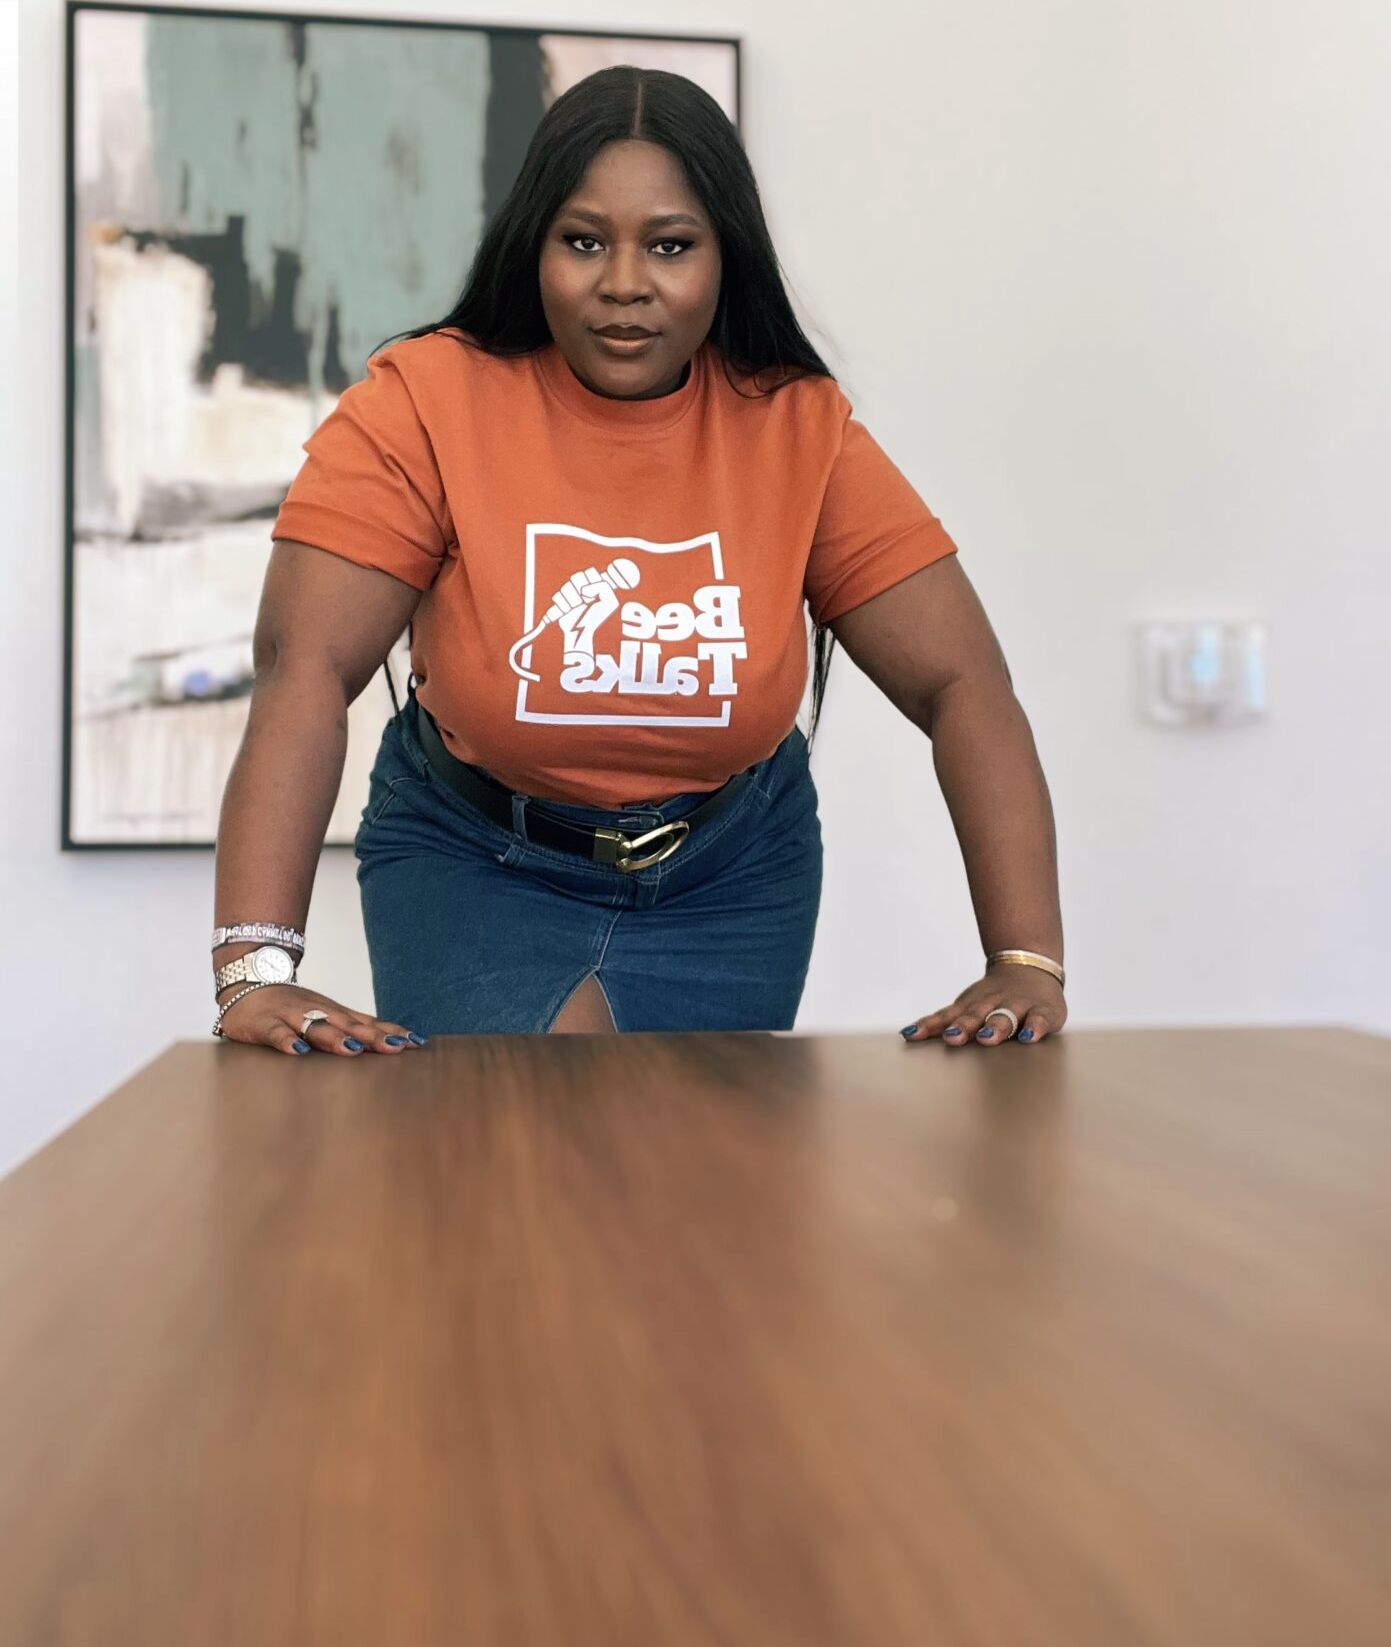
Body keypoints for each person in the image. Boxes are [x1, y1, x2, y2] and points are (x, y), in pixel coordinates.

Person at [209, 66, 1066, 1053]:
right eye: (583, 240)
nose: (624, 281)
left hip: (732, 874)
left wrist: (1022, 960)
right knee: (519, 1162)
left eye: (669, 244)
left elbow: (964, 680)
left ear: (722, 258)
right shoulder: (423, 404)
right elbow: (303, 669)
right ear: (535, 246)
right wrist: (254, 974)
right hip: (475, 861)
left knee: (685, 1183)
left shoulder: (796, 429)